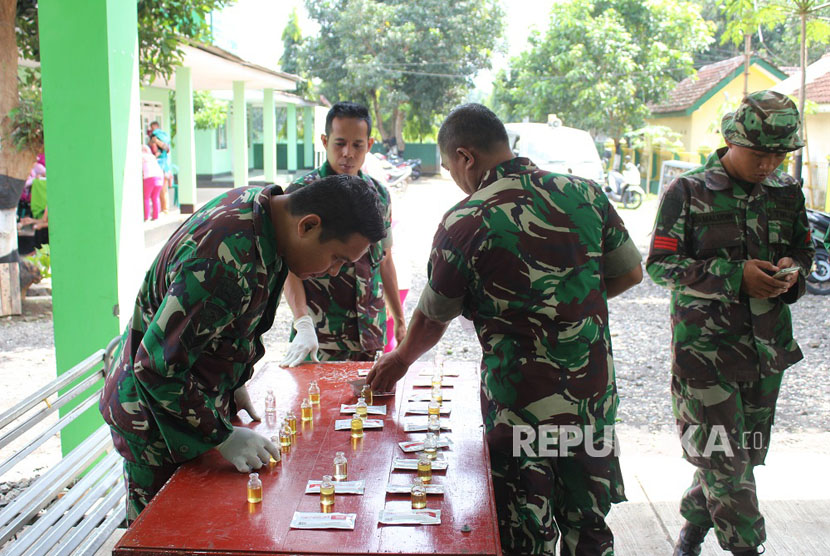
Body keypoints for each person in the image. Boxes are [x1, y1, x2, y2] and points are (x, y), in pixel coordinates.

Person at [368, 103, 643, 556]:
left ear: (466, 157)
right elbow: (630, 274)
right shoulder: (585, 194)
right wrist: (565, 306)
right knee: (589, 529)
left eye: (450, 167)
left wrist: (398, 361)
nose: (454, 177)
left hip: (519, 411)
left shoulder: (465, 221)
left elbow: (433, 317)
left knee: (522, 536)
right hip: (590, 403)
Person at [99, 175, 386, 523]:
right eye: (337, 258)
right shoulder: (223, 257)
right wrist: (220, 436)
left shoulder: (269, 216)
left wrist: (233, 382)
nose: (334, 271)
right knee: (167, 536)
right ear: (308, 226)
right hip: (156, 420)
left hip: (195, 403)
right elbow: (155, 368)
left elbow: (229, 326)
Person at [646, 90, 814, 556]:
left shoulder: (786, 192)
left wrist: (792, 269)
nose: (769, 164)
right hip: (706, 358)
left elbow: (805, 251)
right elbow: (660, 265)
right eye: (760, 154)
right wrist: (732, 275)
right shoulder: (688, 191)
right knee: (725, 463)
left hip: (765, 352)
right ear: (731, 140)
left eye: (779, 154)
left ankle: (691, 534)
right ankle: (747, 547)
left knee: (741, 460)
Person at [281, 102, 405, 364]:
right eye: (339, 143)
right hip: (319, 338)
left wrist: (401, 321)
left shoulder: (379, 195)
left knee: (368, 405)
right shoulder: (302, 194)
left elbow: (385, 259)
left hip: (368, 334)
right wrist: (302, 322)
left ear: (369, 145)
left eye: (357, 145)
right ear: (324, 141)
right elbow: (287, 266)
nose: (348, 153)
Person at [148, 121, 172, 213]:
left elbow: (166, 148)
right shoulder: (163, 136)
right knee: (161, 188)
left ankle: (164, 209)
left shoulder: (156, 136)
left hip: (160, 166)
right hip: (163, 166)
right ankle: (163, 209)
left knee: (162, 188)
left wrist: (157, 141)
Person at [141, 145, 164, 221]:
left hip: (149, 178)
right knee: (155, 197)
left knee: (146, 198)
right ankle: (156, 216)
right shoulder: (152, 157)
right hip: (159, 178)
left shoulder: (141, 156)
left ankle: (146, 216)